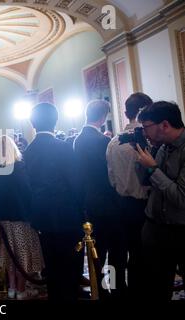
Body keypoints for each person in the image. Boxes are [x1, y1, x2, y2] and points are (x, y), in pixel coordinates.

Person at [24, 103, 83, 301]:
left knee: (52, 267)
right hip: (68, 218)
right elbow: (76, 183)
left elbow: (28, 187)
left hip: (43, 219)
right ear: (56, 121)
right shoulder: (64, 147)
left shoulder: (28, 151)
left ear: (32, 123)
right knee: (72, 268)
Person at [74, 99, 126, 299]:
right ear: (104, 117)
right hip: (109, 203)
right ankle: (117, 288)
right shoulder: (104, 142)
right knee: (116, 251)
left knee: (97, 251)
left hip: (88, 202)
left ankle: (101, 289)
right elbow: (112, 175)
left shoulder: (77, 140)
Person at [136, 101, 185, 300]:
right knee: (154, 288)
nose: (144, 132)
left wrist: (153, 169)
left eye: (146, 126)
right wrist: (143, 161)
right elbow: (145, 182)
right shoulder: (162, 147)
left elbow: (181, 198)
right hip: (155, 228)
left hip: (181, 230)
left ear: (164, 125)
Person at [106, 92, 152, 297]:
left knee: (120, 253)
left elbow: (111, 177)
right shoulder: (150, 140)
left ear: (125, 113)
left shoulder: (113, 142)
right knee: (141, 255)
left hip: (120, 203)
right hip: (145, 205)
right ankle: (139, 292)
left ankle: (117, 291)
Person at [0, 135, 44, 300]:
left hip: (2, 222)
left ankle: (12, 288)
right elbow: (27, 193)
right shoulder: (19, 167)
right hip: (21, 220)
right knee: (22, 257)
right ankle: (21, 290)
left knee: (10, 257)